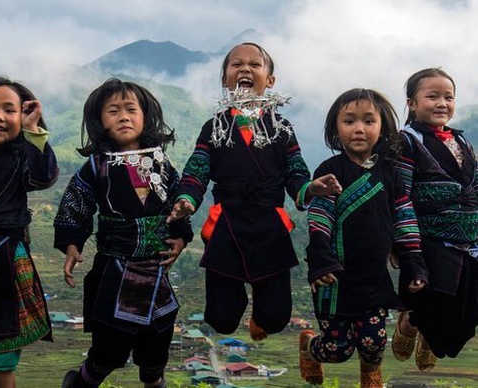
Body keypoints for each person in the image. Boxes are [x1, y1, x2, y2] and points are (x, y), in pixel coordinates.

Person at [167, 42, 342, 342]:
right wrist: (187, 199)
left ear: (270, 81)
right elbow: (198, 168)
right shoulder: (214, 127)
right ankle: (236, 300)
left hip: (269, 225)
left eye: (254, 64)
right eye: (236, 64)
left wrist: (309, 188)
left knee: (275, 319)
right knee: (220, 319)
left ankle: (260, 317)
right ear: (225, 80)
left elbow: (296, 173)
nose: (245, 69)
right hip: (227, 224)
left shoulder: (282, 128)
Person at [53, 78, 193, 388]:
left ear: (146, 117)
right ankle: (81, 383)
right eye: (113, 111)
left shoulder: (163, 165)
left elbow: (179, 202)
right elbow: (76, 203)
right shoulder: (96, 166)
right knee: (109, 347)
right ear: (99, 120)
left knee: (158, 338)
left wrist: (181, 237)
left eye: (131, 109)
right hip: (114, 272)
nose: (124, 116)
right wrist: (72, 243)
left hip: (156, 270)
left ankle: (154, 381)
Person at [299, 89, 427, 388]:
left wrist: (414, 263)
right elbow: (320, 218)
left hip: (374, 279)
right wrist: (320, 259)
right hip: (334, 280)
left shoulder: (390, 174)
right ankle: (309, 347)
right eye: (349, 121)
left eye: (369, 121)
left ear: (382, 127)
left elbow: (405, 221)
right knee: (337, 349)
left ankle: (370, 376)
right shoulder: (330, 171)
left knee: (373, 342)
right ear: (335, 128)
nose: (359, 128)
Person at [391, 68, 478, 372]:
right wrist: (399, 244)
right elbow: (399, 193)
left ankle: (427, 331)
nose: (442, 103)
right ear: (412, 103)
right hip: (427, 237)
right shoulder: (407, 141)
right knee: (433, 303)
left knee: (467, 320)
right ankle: (411, 323)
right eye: (432, 96)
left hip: (469, 238)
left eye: (448, 97)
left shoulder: (462, 142)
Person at [0, 76, 58, 388]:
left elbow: (43, 178)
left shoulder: (22, 155)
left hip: (5, 263)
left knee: (2, 362)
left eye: (9, 110)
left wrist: (33, 131)